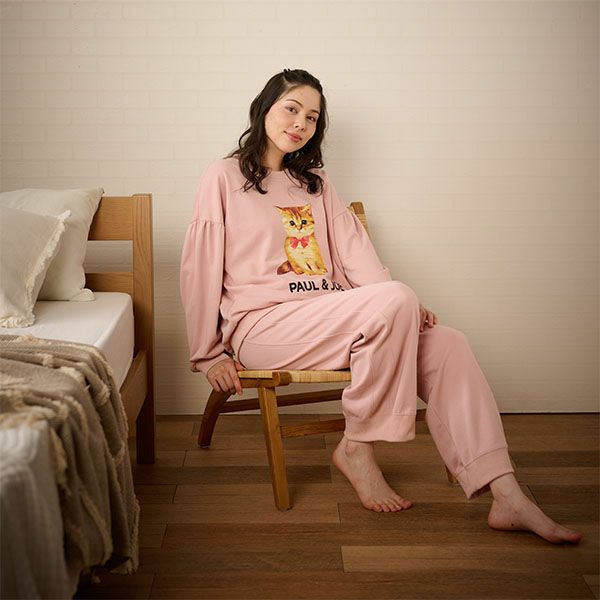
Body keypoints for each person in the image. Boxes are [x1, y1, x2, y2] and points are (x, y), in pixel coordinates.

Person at [180, 68, 582, 544]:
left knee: (449, 344)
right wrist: (208, 354)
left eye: (312, 117)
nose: (301, 123)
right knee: (397, 300)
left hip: (332, 319)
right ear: (264, 108)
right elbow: (200, 265)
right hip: (263, 327)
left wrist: (398, 307)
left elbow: (355, 253)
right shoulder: (224, 177)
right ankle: (358, 446)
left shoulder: (316, 183)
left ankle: (506, 494)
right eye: (291, 109)